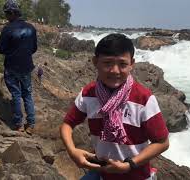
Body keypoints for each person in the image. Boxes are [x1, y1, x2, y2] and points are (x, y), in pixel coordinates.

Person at [60, 33, 169, 180]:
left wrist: (129, 164)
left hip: (137, 176)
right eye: (107, 63)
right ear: (95, 62)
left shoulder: (143, 99)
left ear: (132, 65)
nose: (115, 71)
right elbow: (67, 124)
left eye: (122, 64)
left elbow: (162, 142)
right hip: (102, 173)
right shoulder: (88, 94)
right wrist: (73, 151)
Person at [0, 0, 37, 134]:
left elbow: (0, 49)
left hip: (11, 66)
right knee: (27, 94)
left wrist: (12, 51)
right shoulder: (31, 28)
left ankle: (19, 124)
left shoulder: (7, 29)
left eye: (7, 13)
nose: (6, 16)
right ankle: (31, 124)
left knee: (16, 94)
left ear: (12, 13)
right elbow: (34, 48)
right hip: (26, 66)